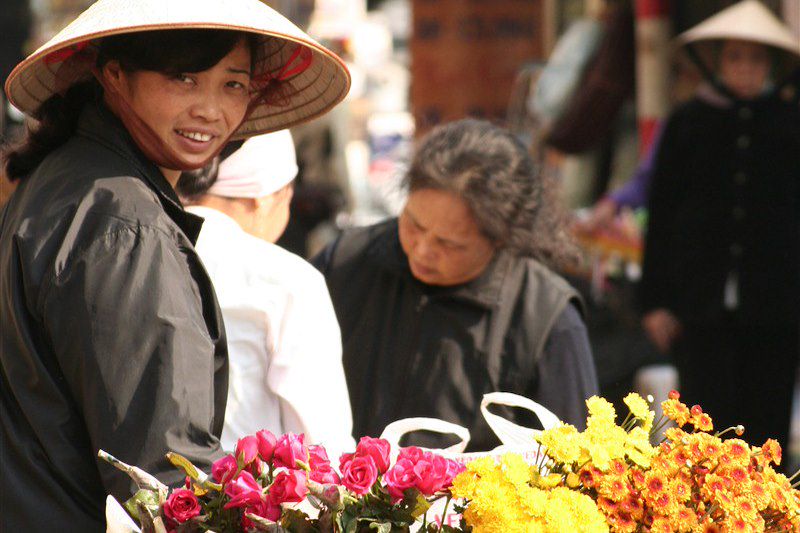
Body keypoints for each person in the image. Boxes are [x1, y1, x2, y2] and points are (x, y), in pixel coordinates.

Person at [0, 0, 349, 530]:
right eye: (183, 78)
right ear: (115, 76)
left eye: (233, 84)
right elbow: (164, 476)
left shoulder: (68, 179)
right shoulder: (126, 225)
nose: (211, 109)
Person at [314, 119, 599, 452]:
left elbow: (573, 465)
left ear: (502, 238)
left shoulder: (546, 320)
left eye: (448, 244)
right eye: (414, 225)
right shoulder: (346, 261)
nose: (421, 250)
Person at [639, 0, 800, 452]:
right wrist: (655, 301)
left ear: (771, 65)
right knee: (700, 433)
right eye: (735, 56)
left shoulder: (791, 124)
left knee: (766, 434)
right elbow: (663, 214)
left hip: (777, 309)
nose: (745, 68)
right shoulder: (688, 123)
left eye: (756, 58)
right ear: (717, 61)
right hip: (699, 305)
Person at [177, 131, 355, 458]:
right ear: (264, 197)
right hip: (244, 498)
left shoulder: (144, 249)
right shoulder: (287, 279)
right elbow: (323, 441)